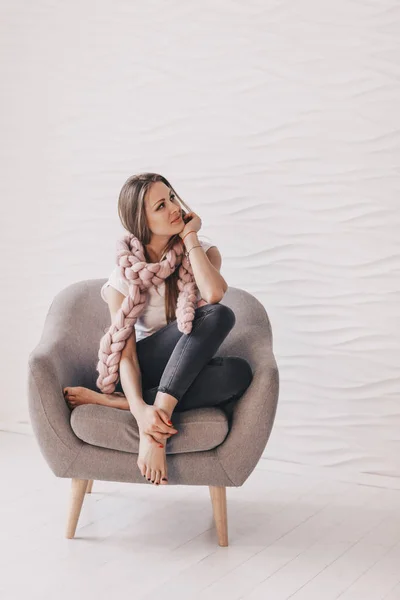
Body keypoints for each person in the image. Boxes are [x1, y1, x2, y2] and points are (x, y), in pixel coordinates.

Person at [63, 173, 253, 486]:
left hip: (186, 365)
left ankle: (121, 404)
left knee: (238, 372)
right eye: (161, 206)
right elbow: (127, 356)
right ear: (142, 221)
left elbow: (214, 294)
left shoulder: (203, 252)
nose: (174, 208)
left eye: (173, 198)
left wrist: (190, 238)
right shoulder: (122, 278)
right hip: (147, 367)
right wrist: (140, 413)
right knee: (216, 317)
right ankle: (151, 428)